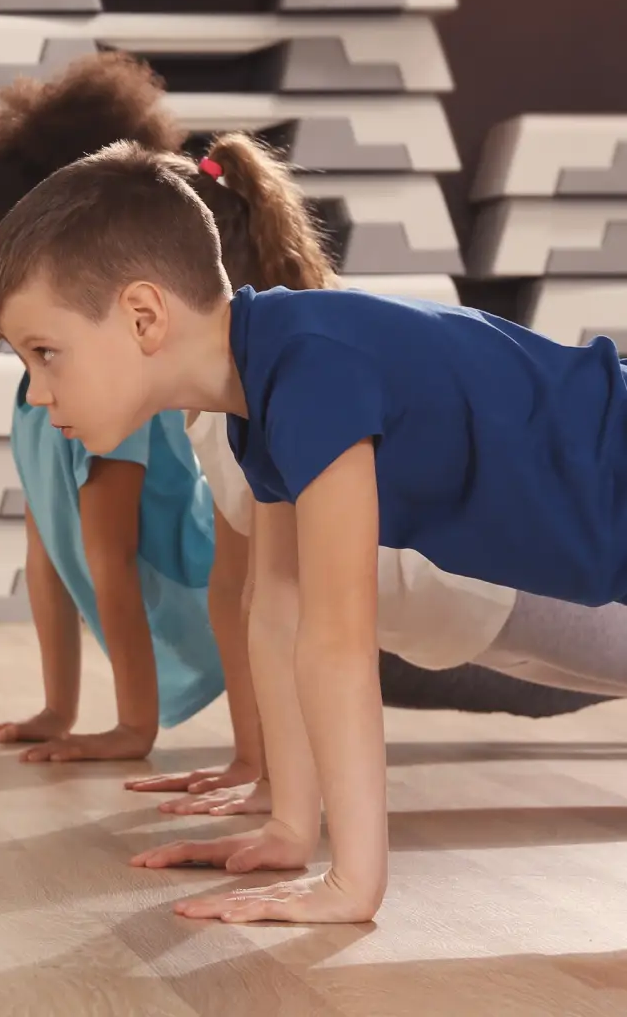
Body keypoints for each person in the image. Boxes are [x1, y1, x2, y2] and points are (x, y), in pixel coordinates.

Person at [0, 133, 627, 925]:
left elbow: (337, 641)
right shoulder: (267, 384)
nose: (39, 393)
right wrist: (291, 826)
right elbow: (275, 609)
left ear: (143, 314)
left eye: (47, 354)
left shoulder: (311, 367)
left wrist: (352, 885)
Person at [126, 137, 627, 835]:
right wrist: (263, 775)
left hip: (500, 591)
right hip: (467, 613)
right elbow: (261, 600)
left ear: (152, 308)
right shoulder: (231, 404)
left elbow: (280, 610)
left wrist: (294, 815)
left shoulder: (292, 379)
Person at [0, 53, 254, 784]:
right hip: (237, 636)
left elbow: (112, 561)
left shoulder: (109, 396)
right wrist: (55, 711)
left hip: (269, 623)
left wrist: (133, 726)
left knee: (494, 663)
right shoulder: (34, 397)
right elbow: (50, 564)